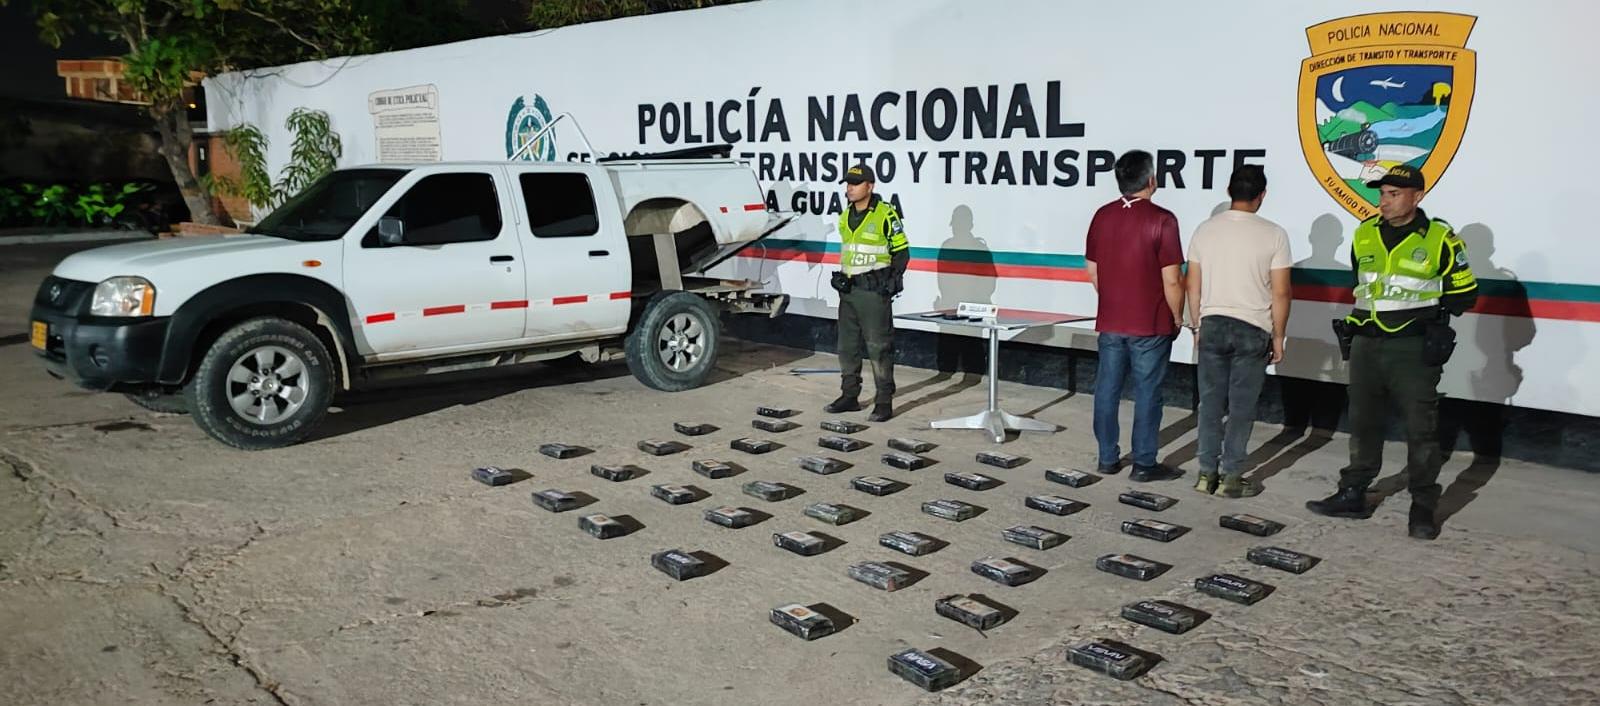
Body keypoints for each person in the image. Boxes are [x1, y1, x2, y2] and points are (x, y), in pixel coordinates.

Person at [1306, 164, 1478, 540]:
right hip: (1366, 343)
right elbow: (1361, 283)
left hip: (1412, 347)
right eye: (1382, 194)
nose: (1384, 201)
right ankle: (1354, 492)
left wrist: (1430, 315)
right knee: (1363, 422)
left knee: (1421, 429)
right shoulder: (1364, 234)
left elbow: (1465, 295)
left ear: (1417, 196)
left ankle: (1422, 506)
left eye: (1393, 194)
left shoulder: (1441, 239)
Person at [1185, 165, 1291, 497]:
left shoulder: (1205, 230)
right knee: (1242, 407)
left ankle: (1205, 474)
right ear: (1261, 195)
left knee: (1210, 404)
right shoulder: (1274, 233)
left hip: (1213, 324)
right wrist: (1278, 336)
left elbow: (1193, 285)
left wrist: (1196, 325)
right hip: (1253, 328)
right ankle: (1231, 478)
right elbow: (1281, 292)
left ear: (1229, 192)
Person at [1084, 150, 1185, 482]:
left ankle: (1106, 457)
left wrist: (1112, 300)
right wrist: (1178, 316)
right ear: (1152, 180)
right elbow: (1172, 278)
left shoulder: (1101, 215)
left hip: (1111, 320)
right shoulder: (1163, 219)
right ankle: (1143, 463)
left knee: (1107, 389)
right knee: (1147, 392)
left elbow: (1094, 271)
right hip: (1150, 323)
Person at [825, 164, 909, 422]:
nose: (849, 188)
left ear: (870, 186)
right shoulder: (844, 215)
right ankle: (849, 396)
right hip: (849, 291)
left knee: (879, 347)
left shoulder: (885, 214)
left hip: (873, 292)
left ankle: (884, 400)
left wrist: (892, 280)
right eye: (848, 183)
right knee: (847, 347)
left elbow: (902, 252)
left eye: (855, 183)